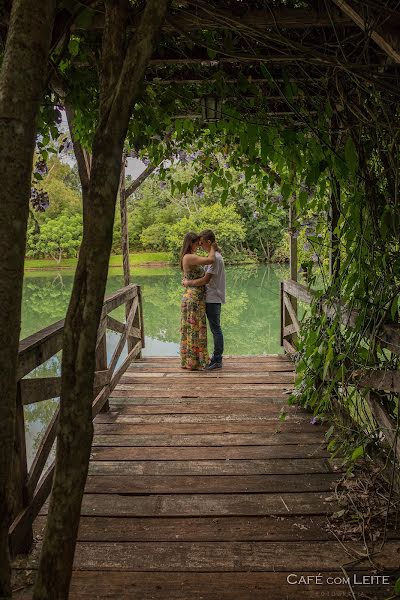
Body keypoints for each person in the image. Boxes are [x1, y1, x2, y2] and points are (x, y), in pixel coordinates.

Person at [183, 229, 225, 370]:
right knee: (198, 328)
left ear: (209, 242)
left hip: (213, 298)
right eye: (198, 243)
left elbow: (206, 280)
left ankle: (217, 359)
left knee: (214, 329)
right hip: (203, 298)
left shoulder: (216, 258)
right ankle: (200, 359)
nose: (200, 246)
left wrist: (188, 282)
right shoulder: (204, 256)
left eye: (202, 243)